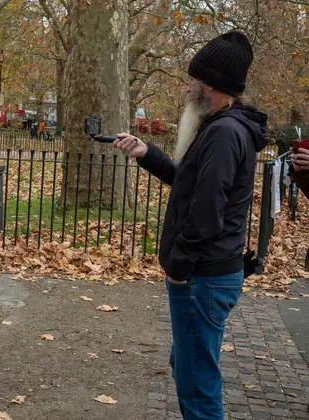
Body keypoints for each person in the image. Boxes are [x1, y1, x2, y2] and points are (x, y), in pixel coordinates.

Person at [114, 32, 268, 419]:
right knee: (190, 369)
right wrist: (147, 153)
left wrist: (179, 268)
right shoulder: (223, 127)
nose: (187, 87)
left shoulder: (224, 133)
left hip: (203, 276)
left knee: (197, 385)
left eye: (193, 80)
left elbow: (206, 211)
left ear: (210, 85)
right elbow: (192, 182)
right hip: (208, 273)